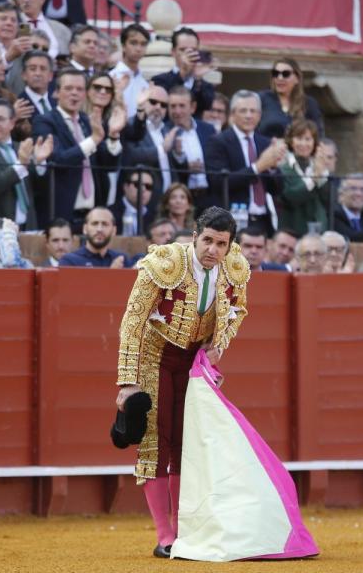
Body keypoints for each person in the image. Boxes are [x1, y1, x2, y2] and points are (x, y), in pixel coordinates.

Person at [114, 206, 250, 558]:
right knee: (156, 441)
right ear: (194, 236)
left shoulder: (234, 267)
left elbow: (238, 311)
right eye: (207, 241)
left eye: (221, 244)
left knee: (186, 443)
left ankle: (183, 529)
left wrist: (220, 344)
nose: (213, 250)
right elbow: (133, 321)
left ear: (229, 245)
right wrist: (127, 382)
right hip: (156, 356)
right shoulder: (165, 262)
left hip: (193, 362)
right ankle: (165, 535)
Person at [31, 69, 125, 231]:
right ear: (56, 93)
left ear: (85, 94)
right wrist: (93, 140)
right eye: (68, 88)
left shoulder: (88, 121)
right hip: (61, 214)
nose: (74, 93)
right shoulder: (44, 121)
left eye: (79, 89)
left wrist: (114, 135)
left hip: (92, 215)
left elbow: (109, 165)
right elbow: (58, 159)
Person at [205, 89, 287, 235]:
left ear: (259, 115)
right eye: (243, 111)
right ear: (232, 114)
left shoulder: (265, 143)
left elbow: (278, 189)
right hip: (233, 219)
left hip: (264, 219)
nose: (248, 115)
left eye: (253, 111)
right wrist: (258, 167)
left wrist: (273, 168)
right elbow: (218, 182)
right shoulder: (218, 141)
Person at [0, 98, 53, 228]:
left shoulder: (21, 148)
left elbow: (38, 189)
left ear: (12, 123)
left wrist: (40, 162)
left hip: (28, 224)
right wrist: (20, 165)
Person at [277, 119, 330, 237]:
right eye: (299, 138)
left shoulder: (319, 165)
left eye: (308, 139)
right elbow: (292, 196)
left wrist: (322, 174)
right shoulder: (284, 167)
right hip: (291, 230)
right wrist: (315, 179)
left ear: (314, 142)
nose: (303, 144)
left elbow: (327, 198)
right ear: (291, 141)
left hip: (317, 230)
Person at [164, 85, 215, 206]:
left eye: (182, 106)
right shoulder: (164, 131)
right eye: (173, 106)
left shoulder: (208, 129)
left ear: (192, 107)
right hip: (180, 199)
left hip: (209, 195)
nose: (177, 111)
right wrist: (187, 166)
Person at [151, 27, 215, 116]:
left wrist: (198, 80)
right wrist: (183, 72)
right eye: (183, 50)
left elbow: (206, 105)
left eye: (193, 50)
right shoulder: (160, 80)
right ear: (173, 52)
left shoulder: (204, 85)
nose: (189, 54)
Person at [256, 57, 323, 140]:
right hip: (266, 147)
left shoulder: (309, 103)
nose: (280, 78)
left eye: (286, 74)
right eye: (275, 73)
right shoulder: (261, 98)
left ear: (297, 79)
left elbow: (318, 135)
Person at [59, 206, 129, 267]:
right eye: (94, 224)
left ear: (114, 230)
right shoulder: (69, 261)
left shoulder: (121, 260)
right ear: (85, 229)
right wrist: (113, 273)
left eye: (105, 224)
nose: (99, 229)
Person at [109, 23, 150, 118]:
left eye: (143, 44)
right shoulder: (111, 77)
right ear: (123, 46)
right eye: (133, 43)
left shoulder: (145, 83)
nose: (138, 49)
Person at [110, 166, 156, 237]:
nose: (143, 189)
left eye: (148, 186)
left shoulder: (155, 218)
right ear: (126, 187)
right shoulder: (110, 213)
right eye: (137, 184)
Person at [331, 174, 363, 243]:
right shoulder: (333, 215)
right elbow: (352, 239)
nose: (358, 194)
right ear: (341, 194)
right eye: (353, 189)